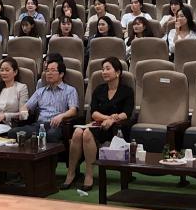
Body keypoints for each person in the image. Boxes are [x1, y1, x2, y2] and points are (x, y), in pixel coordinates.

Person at [63, 57, 134, 192]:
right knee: (77, 132)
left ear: (117, 72)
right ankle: (71, 173)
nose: (104, 72)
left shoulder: (126, 91)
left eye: (108, 69)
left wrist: (112, 121)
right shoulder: (99, 90)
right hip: (98, 124)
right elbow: (94, 113)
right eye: (103, 69)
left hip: (116, 128)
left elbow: (127, 113)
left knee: (86, 133)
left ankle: (89, 175)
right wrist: (108, 118)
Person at [19, 54, 78, 143]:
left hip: (56, 125)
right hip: (40, 125)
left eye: (53, 70)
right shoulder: (40, 91)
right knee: (14, 132)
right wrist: (23, 111)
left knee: (51, 135)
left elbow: (73, 110)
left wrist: (61, 116)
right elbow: (26, 106)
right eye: (47, 70)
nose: (49, 73)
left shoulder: (70, 90)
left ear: (61, 74)